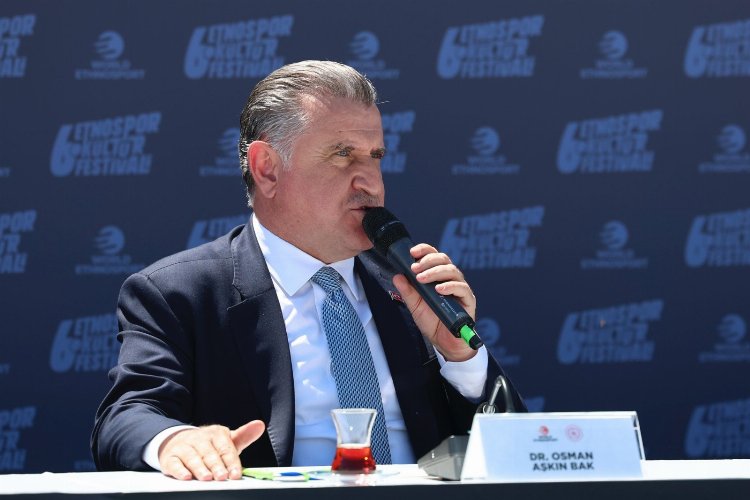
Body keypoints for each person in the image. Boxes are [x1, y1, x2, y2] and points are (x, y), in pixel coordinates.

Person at [91, 60, 524, 481]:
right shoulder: (180, 293)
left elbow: (516, 454)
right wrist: (176, 441)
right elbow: (126, 417)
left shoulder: (413, 288)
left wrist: (461, 359)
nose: (371, 182)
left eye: (375, 156)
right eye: (342, 155)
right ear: (267, 169)